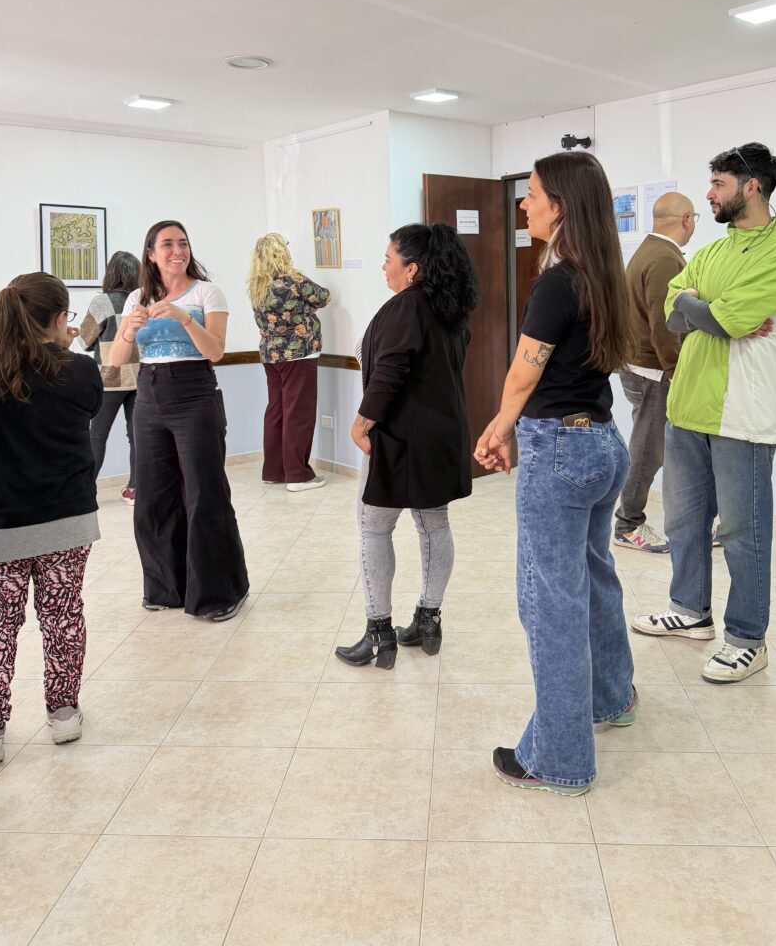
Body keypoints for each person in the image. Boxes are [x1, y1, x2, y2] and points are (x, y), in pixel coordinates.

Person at [475, 151, 636, 797]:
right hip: (602, 444)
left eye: (533, 193)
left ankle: (559, 758)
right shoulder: (603, 274)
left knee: (550, 602)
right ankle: (611, 697)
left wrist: (497, 427)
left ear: (560, 205)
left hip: (561, 451)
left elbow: (525, 371)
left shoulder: (558, 281)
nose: (525, 203)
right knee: (592, 577)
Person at [632, 143, 776, 682]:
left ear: (751, 186)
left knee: (742, 532)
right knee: (683, 522)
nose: (708, 194)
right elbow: (674, 308)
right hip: (688, 406)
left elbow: (726, 319)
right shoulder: (711, 251)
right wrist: (702, 308)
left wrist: (704, 308)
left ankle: (748, 639)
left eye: (718, 184)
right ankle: (689, 611)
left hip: (743, 413)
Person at [335, 222, 478, 669]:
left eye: (388, 259)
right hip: (441, 435)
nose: (383, 266)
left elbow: (389, 372)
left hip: (400, 438)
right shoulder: (449, 309)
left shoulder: (405, 307)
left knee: (374, 527)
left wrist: (361, 423)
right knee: (433, 523)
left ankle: (379, 633)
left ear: (412, 267)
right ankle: (427, 621)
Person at [0, 273, 102, 767]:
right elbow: (87, 407)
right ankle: (64, 713)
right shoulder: (82, 371)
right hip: (68, 519)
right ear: (59, 318)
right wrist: (64, 350)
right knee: (63, 616)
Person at [110, 220, 249, 621]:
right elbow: (115, 361)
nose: (177, 251)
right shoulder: (136, 297)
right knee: (153, 497)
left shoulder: (207, 292)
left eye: (183, 243)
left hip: (194, 392)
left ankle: (220, 594)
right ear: (151, 254)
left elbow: (216, 351)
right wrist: (129, 329)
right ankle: (166, 588)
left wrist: (184, 319)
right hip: (149, 393)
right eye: (167, 244)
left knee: (204, 494)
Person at [613, 192, 697, 552]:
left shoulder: (650, 251)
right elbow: (665, 323)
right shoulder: (663, 258)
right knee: (648, 450)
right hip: (652, 371)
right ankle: (628, 524)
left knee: (653, 447)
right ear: (687, 219)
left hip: (641, 366)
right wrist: (675, 369)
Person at [247, 233, 331, 491]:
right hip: (299, 354)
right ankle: (297, 475)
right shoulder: (294, 280)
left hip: (270, 355)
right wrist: (306, 310)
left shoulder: (257, 286)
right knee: (298, 413)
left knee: (277, 411)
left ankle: (274, 470)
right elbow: (324, 296)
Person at [78, 250, 141, 504]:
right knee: (137, 437)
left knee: (97, 436)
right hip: (140, 378)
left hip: (109, 379)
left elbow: (85, 339)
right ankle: (135, 489)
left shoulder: (102, 302)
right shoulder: (143, 300)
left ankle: (85, 492)